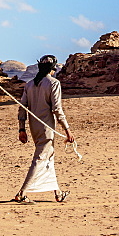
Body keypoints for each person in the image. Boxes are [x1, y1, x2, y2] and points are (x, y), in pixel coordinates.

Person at [13, 54, 75, 203]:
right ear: (52, 69)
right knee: (40, 158)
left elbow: (22, 109)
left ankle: (58, 193)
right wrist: (67, 130)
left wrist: (22, 129)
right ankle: (22, 193)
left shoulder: (29, 85)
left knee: (48, 157)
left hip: (34, 127)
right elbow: (57, 110)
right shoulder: (53, 83)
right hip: (46, 128)